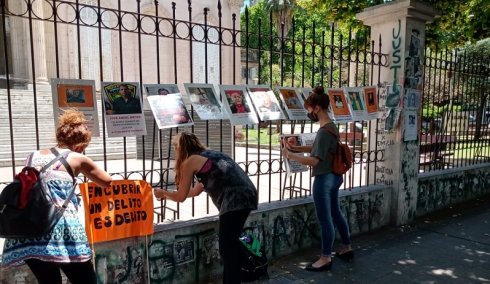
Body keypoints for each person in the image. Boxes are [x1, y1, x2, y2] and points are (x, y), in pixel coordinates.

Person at [2, 109, 112, 284]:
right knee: (86, 280)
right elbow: (107, 181)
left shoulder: (32, 156)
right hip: (60, 231)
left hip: (29, 230)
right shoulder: (77, 157)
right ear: (80, 144)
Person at [154, 132, 257, 284]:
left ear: (180, 148)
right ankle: (252, 268)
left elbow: (181, 197)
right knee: (234, 241)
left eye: (175, 148)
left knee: (227, 248)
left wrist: (164, 193)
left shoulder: (190, 161)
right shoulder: (210, 155)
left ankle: (245, 272)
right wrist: (168, 194)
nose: (175, 152)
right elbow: (195, 192)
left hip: (233, 200)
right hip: (248, 194)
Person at [282, 86, 353, 272]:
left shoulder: (323, 132)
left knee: (325, 219)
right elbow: (318, 148)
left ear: (317, 108)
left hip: (324, 178)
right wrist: (295, 149)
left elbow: (315, 160)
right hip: (336, 177)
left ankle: (325, 258)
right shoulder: (331, 126)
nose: (308, 112)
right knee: (336, 213)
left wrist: (291, 157)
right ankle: (346, 247)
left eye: (309, 109)